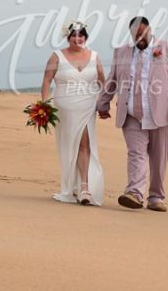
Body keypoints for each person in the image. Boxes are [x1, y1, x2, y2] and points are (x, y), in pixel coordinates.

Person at [96, 16, 168, 212]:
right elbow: (113, 79)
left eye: (142, 34)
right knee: (136, 154)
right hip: (132, 114)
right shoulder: (121, 52)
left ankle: (155, 197)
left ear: (150, 30)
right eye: (135, 35)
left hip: (163, 114)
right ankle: (135, 193)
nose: (139, 38)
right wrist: (103, 103)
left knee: (158, 158)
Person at [41, 21, 106, 206]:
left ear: (85, 37)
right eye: (74, 36)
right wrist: (44, 103)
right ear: (68, 38)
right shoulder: (57, 56)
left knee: (84, 143)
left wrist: (103, 101)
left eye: (81, 35)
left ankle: (84, 187)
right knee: (71, 145)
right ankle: (73, 186)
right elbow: (47, 81)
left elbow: (103, 81)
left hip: (87, 106)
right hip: (64, 108)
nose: (77, 39)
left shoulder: (94, 56)